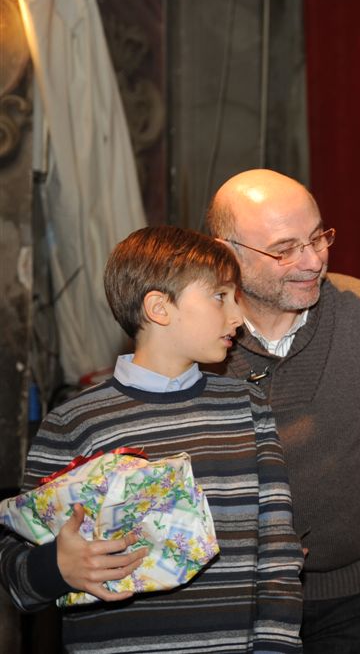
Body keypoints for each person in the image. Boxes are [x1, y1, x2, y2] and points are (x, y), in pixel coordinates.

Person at [0, 226, 304, 652]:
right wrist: (57, 567)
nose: (238, 317)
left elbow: (279, 552)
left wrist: (276, 645)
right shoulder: (72, 422)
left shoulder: (247, 406)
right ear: (160, 308)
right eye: (221, 297)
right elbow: (14, 568)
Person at [205, 169, 360, 653]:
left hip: (358, 591)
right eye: (284, 248)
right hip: (229, 599)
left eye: (318, 237)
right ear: (227, 253)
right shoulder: (193, 337)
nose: (313, 261)